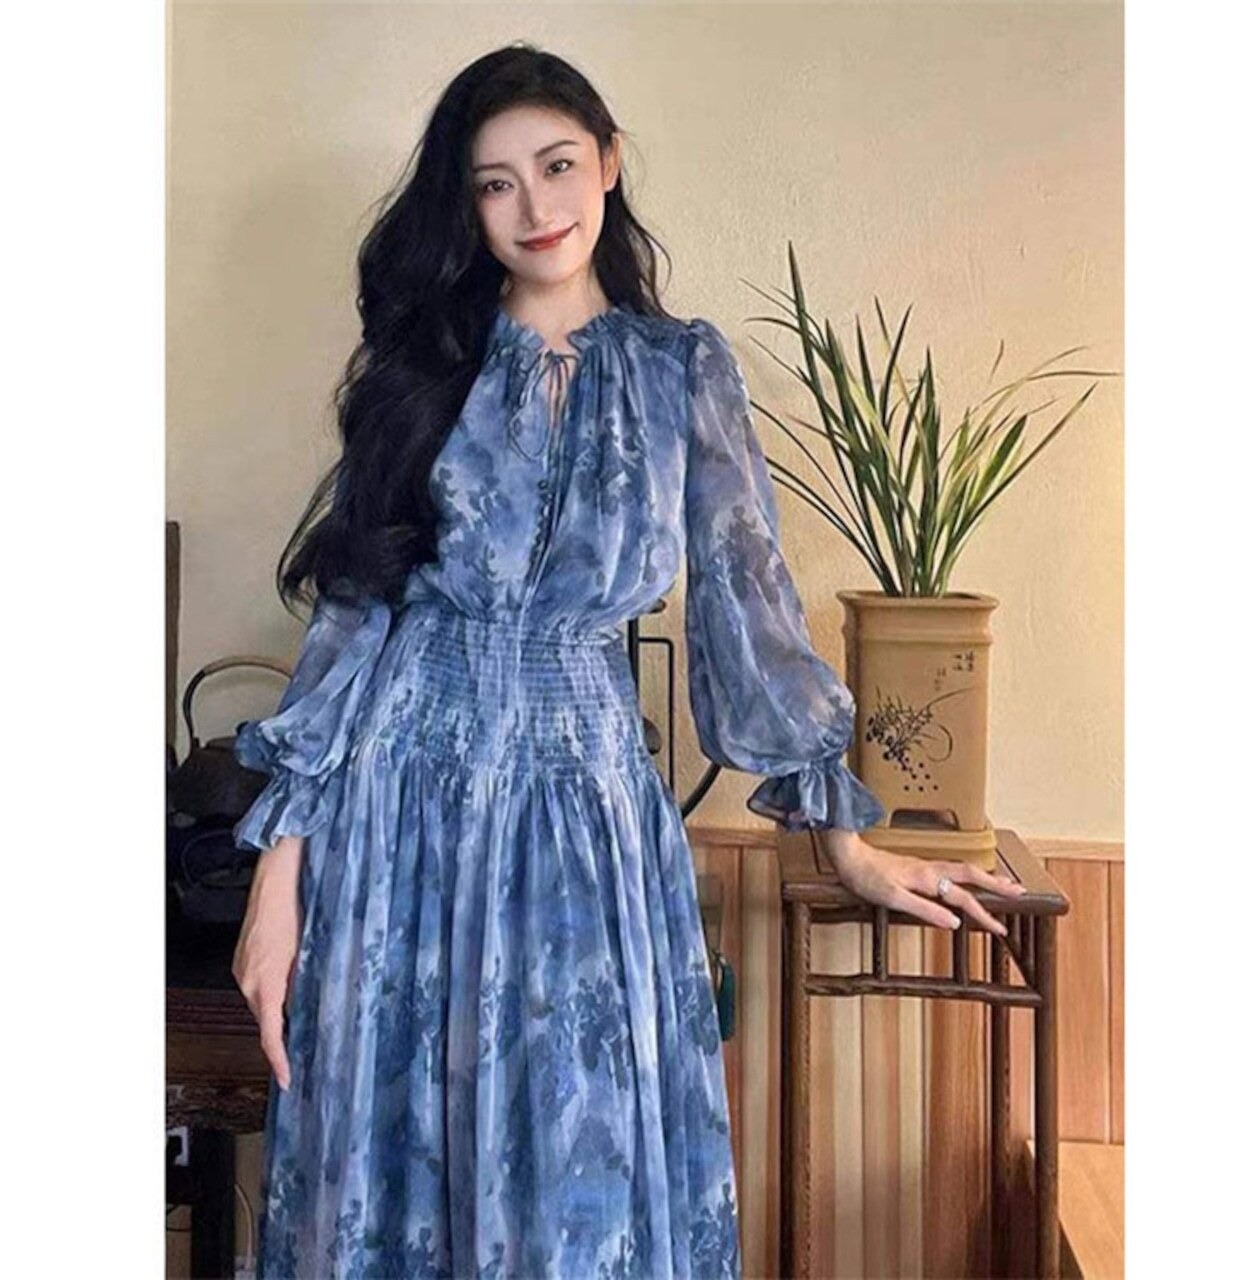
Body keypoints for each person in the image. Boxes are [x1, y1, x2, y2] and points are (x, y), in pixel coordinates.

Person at [229, 43, 1026, 1280]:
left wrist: (847, 840)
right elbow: (351, 620)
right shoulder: (424, 370)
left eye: (556, 166)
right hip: (397, 818)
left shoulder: (680, 372)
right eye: (494, 184)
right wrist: (276, 886)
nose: (533, 208)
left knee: (578, 1196)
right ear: (465, 205)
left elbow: (748, 604)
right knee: (388, 1183)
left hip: (584, 827)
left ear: (607, 161)